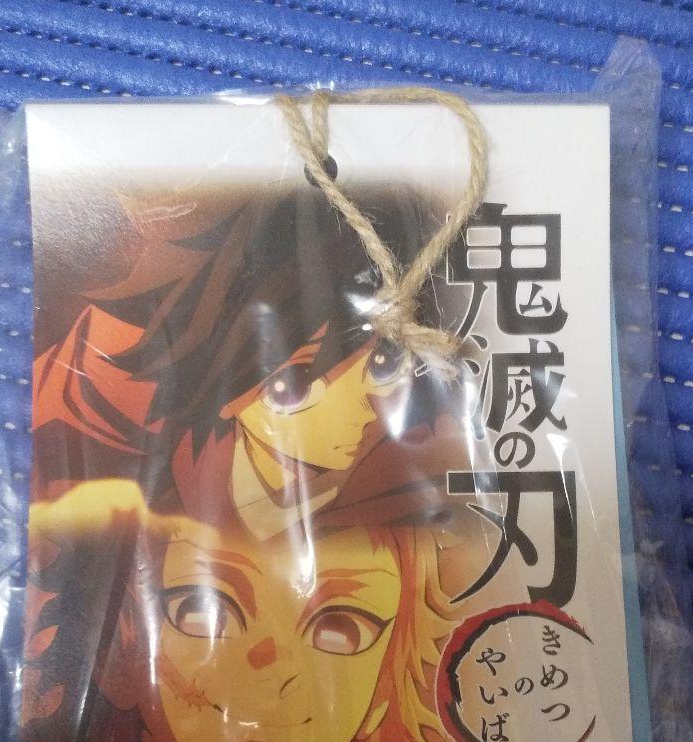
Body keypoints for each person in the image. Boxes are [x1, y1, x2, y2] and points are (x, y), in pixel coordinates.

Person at [18, 480, 463, 742]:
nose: (276, 669)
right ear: (121, 645)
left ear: (385, 683)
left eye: (340, 628)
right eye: (201, 611)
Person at [30, 187, 469, 538]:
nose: (358, 413)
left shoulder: (432, 468)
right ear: (229, 397)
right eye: (292, 386)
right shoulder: (109, 395)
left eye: (383, 363)